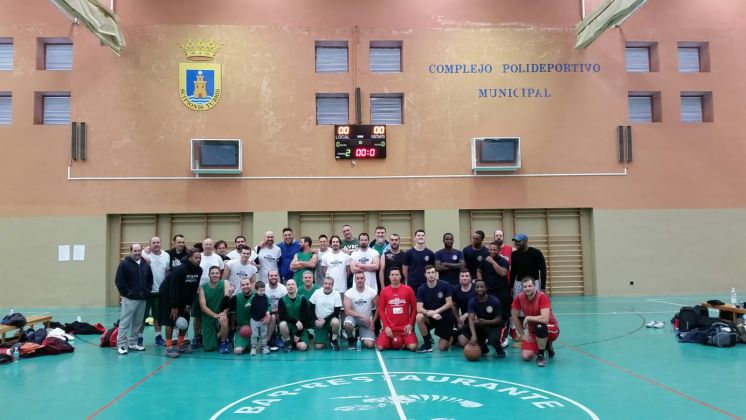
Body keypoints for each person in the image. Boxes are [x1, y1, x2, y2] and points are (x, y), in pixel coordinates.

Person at [159, 248, 202, 358]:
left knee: (185, 320)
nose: (198, 260)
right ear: (190, 258)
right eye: (196, 258)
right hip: (168, 295)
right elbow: (173, 288)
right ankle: (169, 347)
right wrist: (174, 306)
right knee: (170, 321)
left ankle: (180, 345)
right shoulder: (179, 269)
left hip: (184, 298)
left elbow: (194, 288)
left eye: (200, 258)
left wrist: (188, 304)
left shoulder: (199, 270)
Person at [511, 276, 559, 367]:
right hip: (534, 331)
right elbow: (514, 316)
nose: (527, 288)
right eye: (525, 287)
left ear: (535, 286)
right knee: (526, 356)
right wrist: (523, 335)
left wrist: (528, 318)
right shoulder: (519, 298)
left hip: (551, 327)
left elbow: (545, 319)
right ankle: (545, 344)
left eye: (530, 286)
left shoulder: (542, 297)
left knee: (540, 327)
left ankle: (541, 355)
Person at [114, 243, 153, 355]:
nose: (137, 253)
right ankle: (121, 345)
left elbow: (150, 279)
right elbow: (119, 281)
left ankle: (133, 343)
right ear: (131, 252)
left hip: (142, 299)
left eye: (139, 250)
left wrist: (147, 290)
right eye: (135, 251)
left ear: (141, 251)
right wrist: (128, 293)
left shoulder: (145, 264)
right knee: (125, 322)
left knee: (138, 322)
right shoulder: (124, 264)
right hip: (130, 299)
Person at [191, 238, 225, 349]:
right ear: (203, 245)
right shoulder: (198, 256)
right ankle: (197, 336)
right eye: (206, 244)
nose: (208, 246)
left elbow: (222, 272)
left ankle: (222, 337)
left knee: (217, 313)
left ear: (213, 246)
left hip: (214, 290)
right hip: (198, 289)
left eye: (210, 244)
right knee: (197, 315)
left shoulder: (218, 258)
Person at [478, 241, 512, 347]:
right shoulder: (484, 260)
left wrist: (492, 262)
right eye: (490, 249)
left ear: (499, 251)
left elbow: (503, 272)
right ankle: (491, 336)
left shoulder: (503, 261)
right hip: (489, 293)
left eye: (495, 250)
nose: (492, 251)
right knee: (490, 315)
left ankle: (504, 337)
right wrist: (480, 282)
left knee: (503, 316)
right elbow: (479, 270)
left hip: (502, 293)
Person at [376, 268, 418, 351]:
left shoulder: (408, 289)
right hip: (390, 328)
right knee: (379, 347)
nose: (394, 277)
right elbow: (381, 310)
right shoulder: (384, 291)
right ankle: (397, 342)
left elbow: (414, 308)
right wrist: (386, 327)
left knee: (413, 347)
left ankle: (399, 342)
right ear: (389, 277)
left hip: (404, 328)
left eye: (397, 275)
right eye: (392, 275)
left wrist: (410, 324)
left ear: (400, 276)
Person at [415, 265, 454, 352]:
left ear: (436, 274)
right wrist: (431, 314)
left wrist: (437, 311)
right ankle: (427, 344)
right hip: (431, 317)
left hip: (444, 317)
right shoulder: (421, 289)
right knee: (419, 317)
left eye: (433, 272)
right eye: (428, 273)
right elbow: (419, 308)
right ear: (425, 275)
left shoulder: (445, 285)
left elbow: (449, 303)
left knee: (442, 347)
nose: (431, 275)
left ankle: (453, 334)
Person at [141, 236, 171, 346]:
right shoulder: (144, 255)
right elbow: (136, 254)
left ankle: (158, 336)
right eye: (153, 243)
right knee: (142, 317)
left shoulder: (166, 255)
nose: (156, 244)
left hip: (160, 292)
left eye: (158, 242)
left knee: (157, 316)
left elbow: (168, 272)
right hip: (146, 292)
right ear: (150, 244)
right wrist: (144, 251)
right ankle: (139, 337)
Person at [466, 279, 505, 358]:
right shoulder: (472, 302)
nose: (479, 289)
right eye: (477, 287)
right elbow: (470, 319)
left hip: (494, 325)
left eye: (482, 287)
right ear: (474, 289)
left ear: (486, 288)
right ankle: (483, 348)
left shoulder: (494, 301)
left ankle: (499, 349)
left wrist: (486, 322)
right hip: (482, 324)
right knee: (465, 328)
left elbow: (499, 319)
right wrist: (473, 335)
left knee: (493, 340)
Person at [199, 266, 232, 354]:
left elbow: (227, 300)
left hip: (221, 314)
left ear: (220, 274)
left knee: (224, 320)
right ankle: (219, 337)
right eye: (212, 273)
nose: (215, 275)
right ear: (209, 275)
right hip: (208, 317)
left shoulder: (225, 283)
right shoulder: (202, 287)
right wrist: (215, 315)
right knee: (209, 348)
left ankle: (223, 342)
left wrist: (223, 313)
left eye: (217, 273)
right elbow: (203, 307)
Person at [343, 272, 378, 350]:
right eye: (357, 278)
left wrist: (373, 322)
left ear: (365, 279)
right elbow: (347, 311)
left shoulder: (372, 292)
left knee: (370, 345)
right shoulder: (349, 293)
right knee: (348, 324)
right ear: (354, 280)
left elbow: (379, 307)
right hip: (353, 319)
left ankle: (360, 333)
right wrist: (361, 315)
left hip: (366, 322)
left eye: (362, 278)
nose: (360, 280)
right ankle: (350, 339)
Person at [310, 276, 343, 350]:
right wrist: (315, 320)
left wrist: (324, 320)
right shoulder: (317, 292)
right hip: (319, 322)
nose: (327, 285)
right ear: (323, 284)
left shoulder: (336, 294)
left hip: (329, 321)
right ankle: (327, 336)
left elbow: (336, 312)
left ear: (332, 285)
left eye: (329, 284)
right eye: (326, 283)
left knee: (335, 322)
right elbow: (311, 307)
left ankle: (334, 339)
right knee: (319, 347)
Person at [278, 279, 311, 352]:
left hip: (300, 327)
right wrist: (295, 321)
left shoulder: (302, 299)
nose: (291, 286)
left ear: (296, 286)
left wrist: (298, 334)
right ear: (286, 287)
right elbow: (282, 316)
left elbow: (305, 318)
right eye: (288, 285)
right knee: (282, 324)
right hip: (288, 327)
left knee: (303, 347)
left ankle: (294, 343)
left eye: (293, 284)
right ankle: (288, 341)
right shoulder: (282, 300)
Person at [403, 229, 435, 294]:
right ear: (415, 238)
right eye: (418, 235)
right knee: (413, 303)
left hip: (426, 283)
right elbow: (404, 269)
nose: (421, 237)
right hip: (412, 284)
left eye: (422, 235)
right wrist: (409, 280)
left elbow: (433, 269)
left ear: (425, 238)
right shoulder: (409, 253)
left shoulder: (430, 253)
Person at [246, 280, 272, 355]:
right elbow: (248, 302)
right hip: (254, 319)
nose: (262, 292)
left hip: (263, 319)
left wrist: (268, 311)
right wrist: (248, 304)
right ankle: (253, 348)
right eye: (260, 290)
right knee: (254, 334)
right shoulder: (253, 296)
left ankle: (264, 347)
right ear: (256, 290)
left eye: (263, 290)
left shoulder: (266, 297)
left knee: (264, 334)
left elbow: (269, 306)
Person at [228, 277, 254, 355]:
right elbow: (224, 306)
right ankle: (243, 342)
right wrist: (228, 295)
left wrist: (268, 313)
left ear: (251, 284)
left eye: (247, 284)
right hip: (243, 329)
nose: (245, 286)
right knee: (237, 351)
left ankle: (268, 342)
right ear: (240, 286)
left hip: (257, 329)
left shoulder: (257, 296)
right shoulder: (236, 297)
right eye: (243, 285)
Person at [452, 269, 476, 347]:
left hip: (476, 318)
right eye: (462, 276)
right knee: (462, 343)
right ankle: (456, 334)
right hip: (464, 321)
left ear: (470, 278)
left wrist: (466, 315)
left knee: (475, 342)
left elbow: (480, 307)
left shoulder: (476, 289)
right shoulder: (455, 289)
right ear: (459, 278)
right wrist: (458, 319)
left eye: (466, 276)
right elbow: (453, 306)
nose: (464, 278)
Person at [265, 270, 288, 350]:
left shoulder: (283, 289)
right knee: (272, 317)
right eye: (271, 276)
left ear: (278, 276)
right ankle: (268, 340)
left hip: (279, 312)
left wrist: (272, 310)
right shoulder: (264, 288)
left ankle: (279, 337)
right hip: (267, 313)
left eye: (275, 275)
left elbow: (285, 306)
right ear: (268, 277)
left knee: (276, 316)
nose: (273, 277)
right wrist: (269, 311)